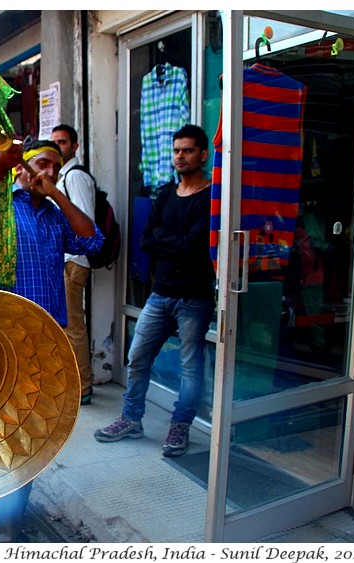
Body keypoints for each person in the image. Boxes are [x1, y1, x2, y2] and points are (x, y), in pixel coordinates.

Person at [0, 138, 104, 542]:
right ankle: (3, 522)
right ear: (23, 169)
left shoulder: (55, 216)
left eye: (55, 166)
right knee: (4, 433)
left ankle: (6, 516)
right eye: (42, 165)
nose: (49, 173)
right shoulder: (2, 207)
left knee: (31, 435)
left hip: (45, 343)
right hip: (1, 339)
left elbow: (93, 242)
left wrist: (57, 195)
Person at [93, 124, 215, 458]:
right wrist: (173, 244)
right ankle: (132, 419)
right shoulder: (164, 194)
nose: (180, 156)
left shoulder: (211, 197)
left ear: (203, 155)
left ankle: (181, 426)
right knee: (137, 358)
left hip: (194, 296)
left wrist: (169, 242)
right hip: (160, 293)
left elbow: (194, 246)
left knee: (191, 369)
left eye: (188, 150)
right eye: (176, 150)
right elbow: (147, 240)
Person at [51, 124, 98, 405]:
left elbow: (84, 221)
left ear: (75, 146)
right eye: (54, 142)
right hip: (65, 260)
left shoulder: (75, 177)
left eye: (63, 142)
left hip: (74, 260)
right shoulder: (62, 175)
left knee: (73, 325)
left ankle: (84, 385)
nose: (59, 147)